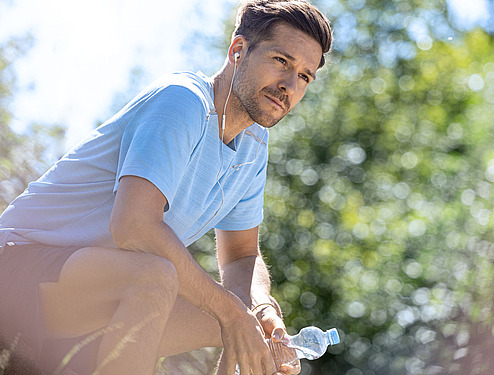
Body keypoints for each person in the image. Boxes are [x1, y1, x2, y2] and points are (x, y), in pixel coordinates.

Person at [0, 0, 332, 374]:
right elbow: (134, 226)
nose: (289, 85)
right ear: (238, 51)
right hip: (18, 265)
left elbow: (241, 256)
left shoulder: (253, 145)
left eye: (304, 76)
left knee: (252, 328)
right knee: (158, 277)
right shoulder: (183, 101)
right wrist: (230, 311)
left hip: (90, 296)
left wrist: (260, 309)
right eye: (281, 61)